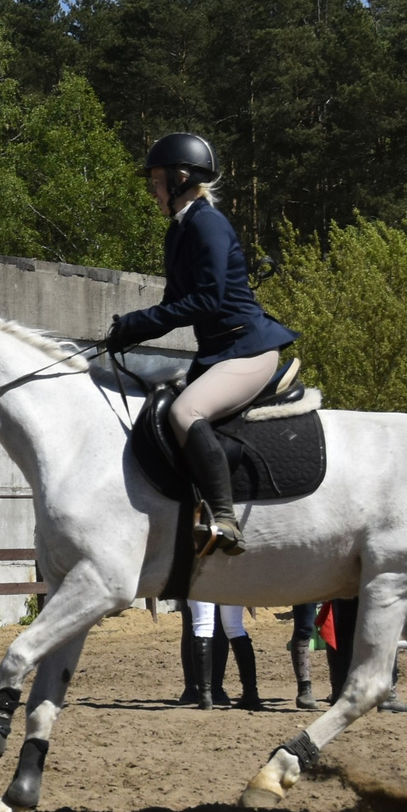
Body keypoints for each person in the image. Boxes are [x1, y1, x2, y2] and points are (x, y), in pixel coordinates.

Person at [103, 133, 296, 554]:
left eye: (156, 182)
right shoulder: (179, 230)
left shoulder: (207, 222)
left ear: (180, 178)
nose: (152, 191)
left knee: (185, 411)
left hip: (248, 348)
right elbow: (176, 304)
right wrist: (133, 330)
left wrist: (142, 320)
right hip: (218, 353)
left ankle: (224, 518)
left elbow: (208, 299)